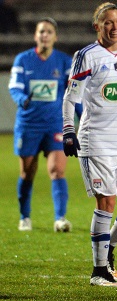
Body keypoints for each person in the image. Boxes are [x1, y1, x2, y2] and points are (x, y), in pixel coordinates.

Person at [62, 2, 117, 287]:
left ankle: (108, 248)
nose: (115, 27)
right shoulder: (86, 56)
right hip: (95, 140)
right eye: (108, 22)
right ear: (97, 26)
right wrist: (68, 131)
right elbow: (70, 98)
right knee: (107, 202)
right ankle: (99, 270)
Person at [8, 17, 74, 232]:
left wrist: (80, 116)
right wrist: (22, 99)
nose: (44, 35)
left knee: (57, 170)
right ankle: (25, 217)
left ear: (55, 36)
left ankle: (60, 219)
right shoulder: (23, 60)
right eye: (41, 32)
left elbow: (72, 93)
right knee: (27, 172)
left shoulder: (64, 62)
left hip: (55, 123)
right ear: (36, 36)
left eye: (48, 32)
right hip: (29, 124)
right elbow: (15, 87)